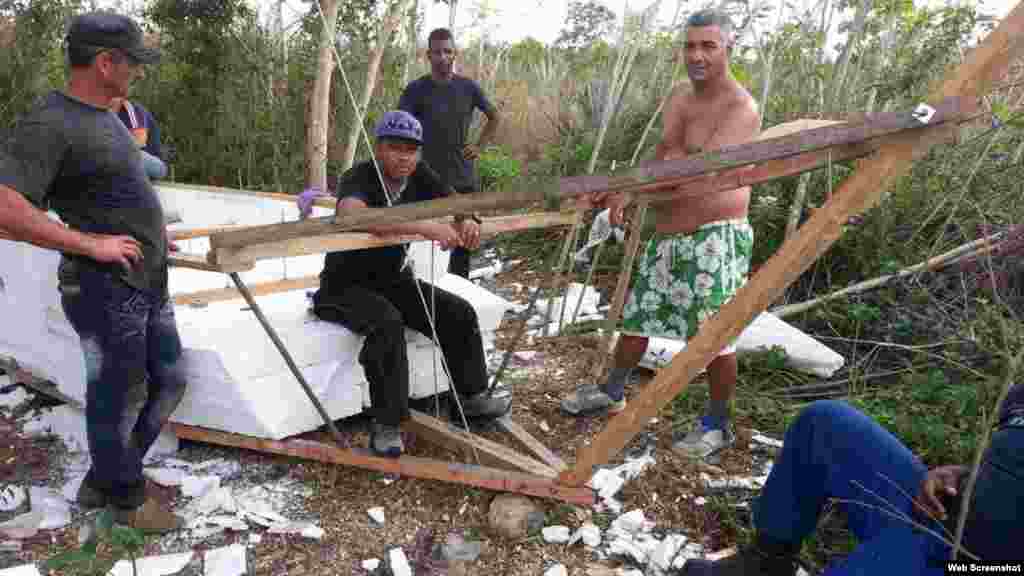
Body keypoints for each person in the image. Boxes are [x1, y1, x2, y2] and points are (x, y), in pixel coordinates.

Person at [0, 12, 185, 532]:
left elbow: (115, 192)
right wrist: (90, 244)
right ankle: (125, 502)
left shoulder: (108, 114)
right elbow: (6, 206)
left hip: (145, 277)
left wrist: (151, 231)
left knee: (169, 381)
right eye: (134, 64)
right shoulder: (50, 121)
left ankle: (107, 477)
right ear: (105, 62)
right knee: (117, 396)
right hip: (104, 287)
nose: (139, 74)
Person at [560, 9, 761, 461]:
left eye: (708, 45)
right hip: (668, 231)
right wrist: (619, 188)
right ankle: (613, 391)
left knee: (715, 335)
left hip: (714, 237)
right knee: (638, 317)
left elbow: (701, 177)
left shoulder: (740, 109)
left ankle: (716, 424)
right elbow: (664, 155)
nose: (697, 55)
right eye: (690, 45)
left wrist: (630, 192)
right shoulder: (679, 98)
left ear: (728, 48)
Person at [298, 110, 511, 457]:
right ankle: (387, 423)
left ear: (419, 153)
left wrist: (466, 217)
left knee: (456, 312)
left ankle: (470, 400)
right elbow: (355, 215)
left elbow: (452, 199)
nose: (403, 157)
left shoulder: (419, 174)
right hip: (342, 287)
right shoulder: (360, 176)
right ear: (379, 148)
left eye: (411, 150)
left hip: (392, 279)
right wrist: (427, 227)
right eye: (395, 148)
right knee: (386, 324)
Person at [682, 386, 1024, 575]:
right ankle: (765, 563)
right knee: (824, 424)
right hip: (942, 516)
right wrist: (966, 473)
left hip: (973, 562)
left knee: (895, 556)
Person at [397, 27, 501, 279]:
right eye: (437, 52)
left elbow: (494, 116)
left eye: (448, 51)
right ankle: (397, 284)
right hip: (424, 177)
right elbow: (400, 126)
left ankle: (458, 294)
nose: (443, 57)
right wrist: (409, 155)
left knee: (463, 244)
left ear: (455, 54)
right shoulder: (415, 89)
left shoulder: (468, 87)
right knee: (403, 237)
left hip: (462, 177)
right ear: (428, 55)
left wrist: (479, 146)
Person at [111, 96, 168, 180]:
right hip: (129, 161)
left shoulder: (131, 109)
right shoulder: (103, 113)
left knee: (124, 155)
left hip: (153, 163)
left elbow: (139, 142)